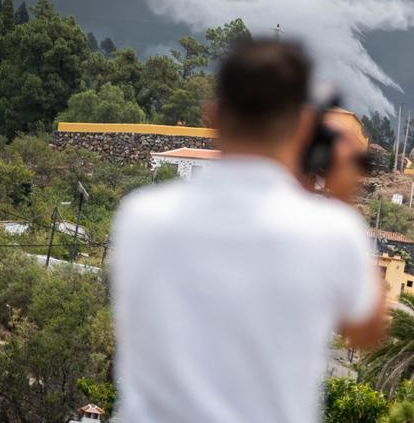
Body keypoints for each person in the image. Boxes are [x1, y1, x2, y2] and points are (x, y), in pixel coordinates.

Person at [111, 40, 387, 422]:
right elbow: (367, 334)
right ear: (303, 126)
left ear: (213, 116)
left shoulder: (140, 218)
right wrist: (343, 198)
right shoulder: (331, 233)